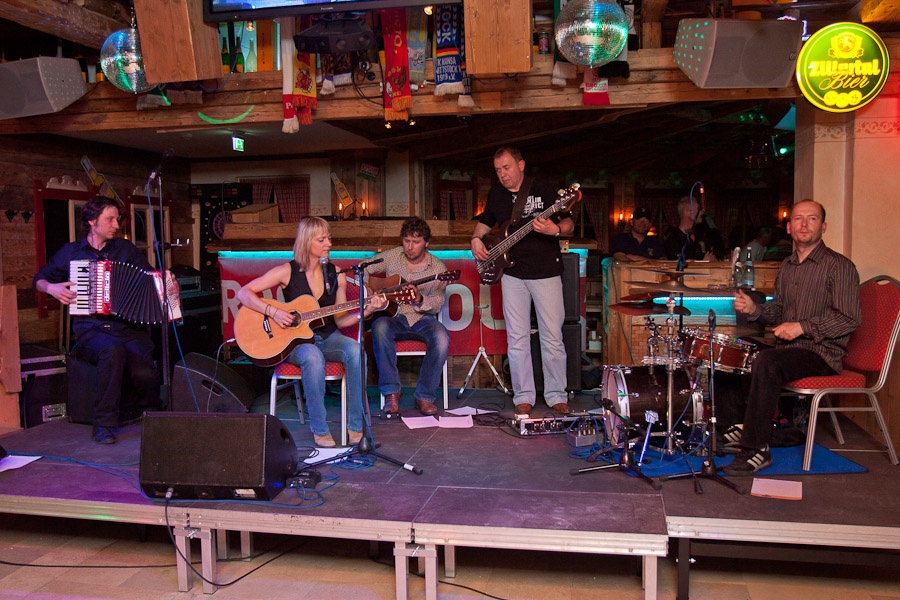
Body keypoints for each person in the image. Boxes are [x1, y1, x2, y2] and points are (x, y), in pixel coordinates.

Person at [720, 200, 861, 475]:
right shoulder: (787, 266)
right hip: (789, 350)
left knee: (768, 362)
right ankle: (734, 428)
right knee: (731, 349)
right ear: (789, 227)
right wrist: (754, 310)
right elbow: (780, 310)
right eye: (798, 219)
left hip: (822, 353)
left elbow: (849, 318)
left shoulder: (839, 266)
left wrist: (801, 327)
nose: (804, 224)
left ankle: (756, 449)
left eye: (812, 219)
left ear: (823, 226)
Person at [236, 217, 386, 448]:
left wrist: (366, 311)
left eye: (329, 238)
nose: (329, 244)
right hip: (295, 343)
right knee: (312, 356)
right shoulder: (286, 271)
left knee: (356, 351)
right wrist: (274, 312)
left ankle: (355, 427)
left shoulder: (336, 274)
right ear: (307, 241)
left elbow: (341, 320)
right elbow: (243, 293)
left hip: (328, 338)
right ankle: (320, 430)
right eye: (322, 239)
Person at [33, 196, 161, 444]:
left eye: (117, 219)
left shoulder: (125, 249)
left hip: (127, 326)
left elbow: (149, 278)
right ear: (92, 221)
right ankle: (103, 423)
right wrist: (51, 288)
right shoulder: (72, 252)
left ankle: (153, 413)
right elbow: (39, 279)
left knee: (143, 362)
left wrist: (165, 280)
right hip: (91, 328)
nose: (116, 225)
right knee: (111, 351)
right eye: (110, 219)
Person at [470, 146, 575, 416]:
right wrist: (475, 239)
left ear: (521, 165)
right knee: (517, 338)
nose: (502, 174)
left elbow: (569, 225)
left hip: (546, 272)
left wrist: (554, 229)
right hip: (512, 274)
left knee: (552, 337)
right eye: (498, 170)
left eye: (506, 168)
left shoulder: (543, 189)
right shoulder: (496, 194)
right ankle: (523, 396)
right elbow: (485, 221)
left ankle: (556, 395)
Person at [365, 217, 451, 416]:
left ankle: (425, 397)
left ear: (426, 243)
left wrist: (420, 298)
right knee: (379, 327)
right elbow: (364, 267)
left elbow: (438, 303)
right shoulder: (393, 256)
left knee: (442, 338)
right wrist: (369, 289)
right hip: (395, 316)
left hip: (422, 318)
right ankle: (392, 393)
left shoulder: (438, 269)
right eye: (406, 241)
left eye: (416, 242)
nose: (410, 247)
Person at [665, 195, 722, 262]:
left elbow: (712, 258)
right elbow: (676, 265)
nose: (702, 212)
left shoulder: (700, 235)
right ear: (687, 212)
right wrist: (702, 263)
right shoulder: (673, 239)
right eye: (698, 209)